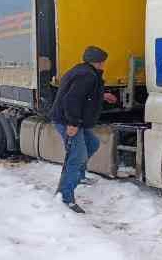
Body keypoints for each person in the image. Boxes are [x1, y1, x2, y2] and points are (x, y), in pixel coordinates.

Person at [50, 46, 117, 213]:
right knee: (76, 156)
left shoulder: (84, 71)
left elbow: (84, 95)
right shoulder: (86, 75)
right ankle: (65, 197)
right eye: (103, 62)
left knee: (92, 144)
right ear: (99, 62)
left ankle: (79, 177)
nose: (104, 64)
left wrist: (103, 95)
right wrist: (72, 123)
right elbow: (72, 100)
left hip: (74, 121)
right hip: (69, 121)